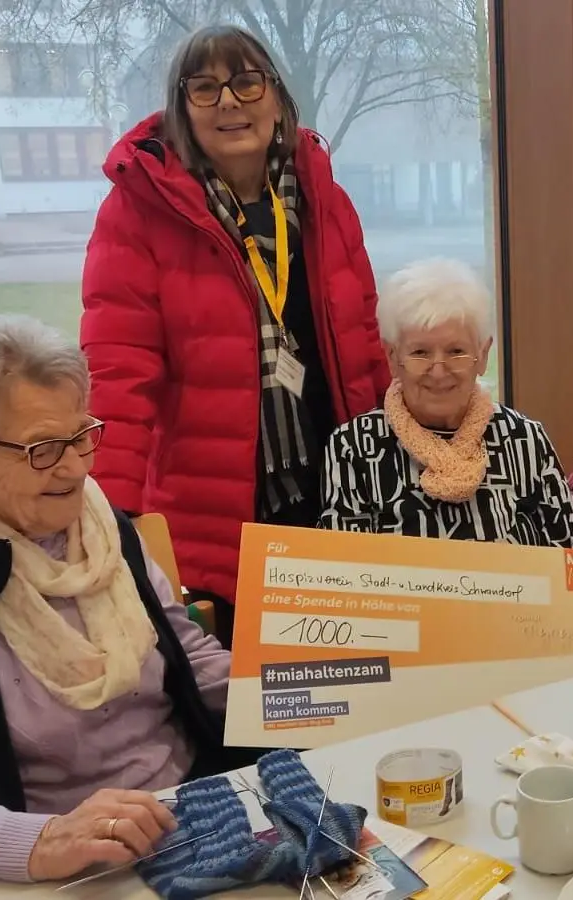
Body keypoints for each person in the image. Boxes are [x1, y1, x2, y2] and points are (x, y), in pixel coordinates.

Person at [0, 315, 250, 883]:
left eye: (82, 434)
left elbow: (191, 662)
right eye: (42, 448)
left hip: (198, 808)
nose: (77, 467)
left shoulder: (104, 530)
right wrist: (46, 840)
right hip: (74, 867)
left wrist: (321, 694)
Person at [82, 24, 390, 647]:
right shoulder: (140, 210)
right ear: (181, 107)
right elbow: (120, 373)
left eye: (246, 81)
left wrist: (396, 454)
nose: (229, 101)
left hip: (336, 489)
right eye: (205, 88)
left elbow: (364, 340)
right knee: (243, 705)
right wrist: (109, 518)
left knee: (344, 687)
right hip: (218, 507)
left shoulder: (324, 198)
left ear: (275, 96)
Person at [319, 258, 573, 548]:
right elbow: (343, 569)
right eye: (420, 352)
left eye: (456, 351)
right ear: (393, 358)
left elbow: (572, 558)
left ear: (483, 355)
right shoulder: (353, 447)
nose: (438, 369)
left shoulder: (524, 439)